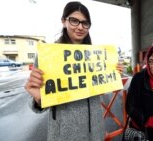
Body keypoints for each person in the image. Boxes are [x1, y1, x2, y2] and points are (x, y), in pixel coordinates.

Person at [24, 1, 123, 141]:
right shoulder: (48, 55)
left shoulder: (96, 56)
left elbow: (99, 89)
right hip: (64, 135)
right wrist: (38, 99)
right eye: (74, 21)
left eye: (85, 23)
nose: (80, 27)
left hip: (96, 132)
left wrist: (112, 74)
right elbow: (35, 103)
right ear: (64, 21)